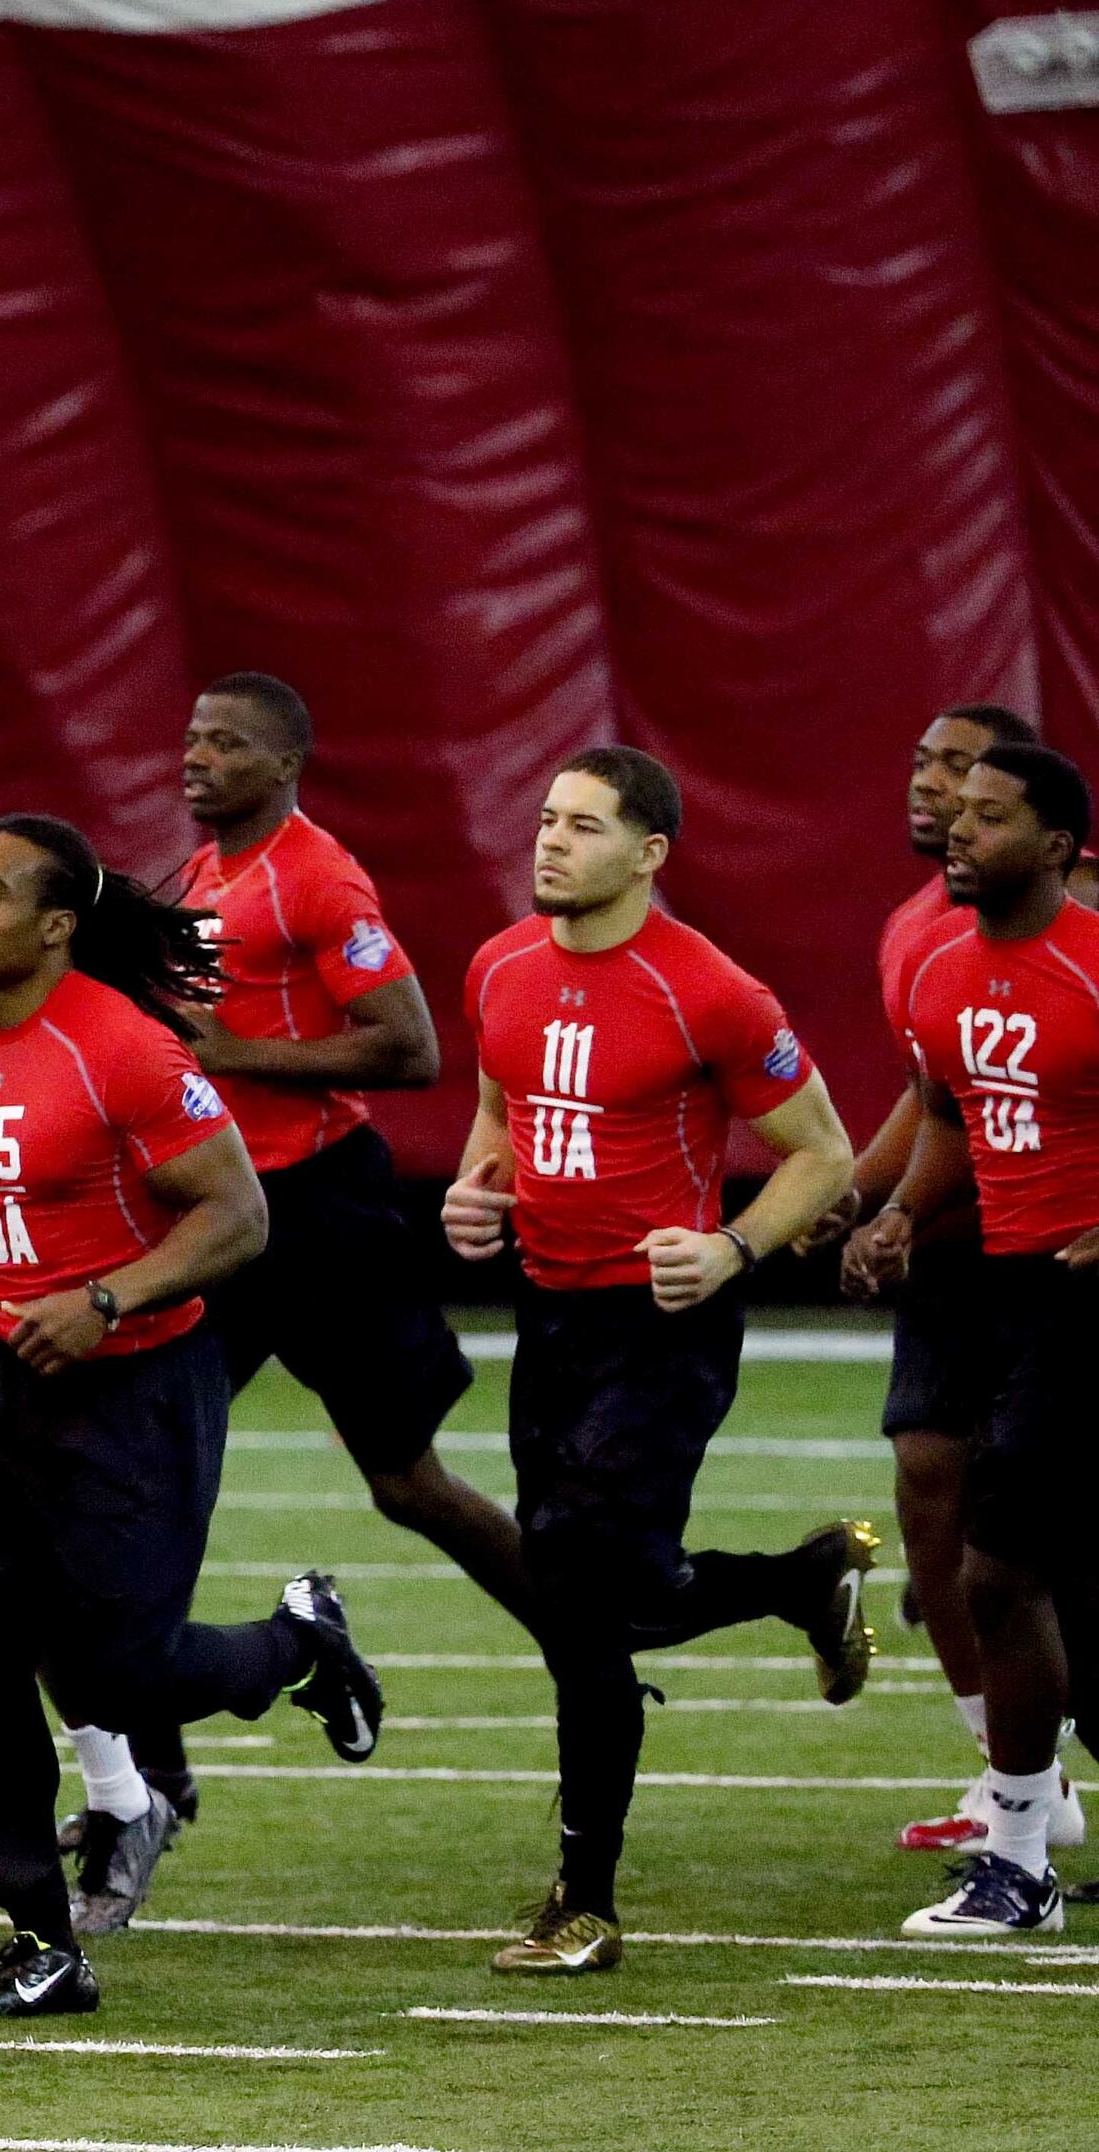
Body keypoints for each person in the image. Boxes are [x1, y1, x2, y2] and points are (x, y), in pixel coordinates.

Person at [0, 813, 385, 2020]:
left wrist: (104, 1298)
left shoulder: (121, 1049)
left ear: (55, 925)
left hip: (136, 1385)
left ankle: (300, 1644)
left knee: (116, 1672)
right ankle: (38, 1936)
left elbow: (238, 1215)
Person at [53, 675, 499, 1929]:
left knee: (407, 1481)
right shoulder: (199, 878)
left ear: (289, 761)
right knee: (134, 1470)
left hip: (324, 1212)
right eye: (190, 736)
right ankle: (148, 1771)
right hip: (226, 1217)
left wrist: (230, 1054)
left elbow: (408, 1046)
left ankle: (584, 1642)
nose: (197, 757)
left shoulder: (315, 877)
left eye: (228, 741)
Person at [444, 746, 879, 1975]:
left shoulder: (713, 992)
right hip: (551, 1316)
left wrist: (733, 1249)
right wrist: (482, 1195)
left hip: (662, 1326)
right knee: (598, 1594)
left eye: (583, 827)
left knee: (582, 1597)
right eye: (543, 819)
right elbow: (499, 1116)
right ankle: (803, 1580)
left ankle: (585, 1903)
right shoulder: (500, 965)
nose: (550, 843)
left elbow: (824, 1153)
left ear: (649, 856)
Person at [830, 706, 1074, 1855]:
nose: (952, 814)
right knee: (987, 1539)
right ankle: (1020, 1797)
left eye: (984, 801)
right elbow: (946, 1107)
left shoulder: (1084, 953)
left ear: (1061, 841)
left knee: (1004, 1567)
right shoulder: (935, 959)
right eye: (943, 787)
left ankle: (1019, 1845)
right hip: (995, 1282)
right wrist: (890, 1215)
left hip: (1078, 1292)